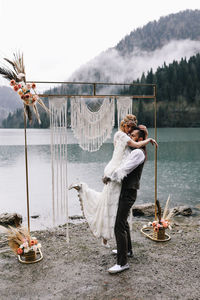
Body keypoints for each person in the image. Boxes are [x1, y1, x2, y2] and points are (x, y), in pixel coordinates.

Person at [69, 115, 157, 247]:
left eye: (133, 130)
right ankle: (110, 239)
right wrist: (148, 139)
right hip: (116, 174)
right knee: (109, 206)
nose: (130, 132)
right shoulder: (125, 139)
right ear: (125, 125)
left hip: (116, 174)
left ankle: (110, 239)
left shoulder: (126, 141)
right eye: (129, 128)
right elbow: (134, 147)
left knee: (109, 205)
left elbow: (125, 158)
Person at [106, 127, 148, 274]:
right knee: (123, 223)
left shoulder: (138, 152)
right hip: (127, 191)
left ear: (140, 139)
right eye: (129, 134)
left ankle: (122, 262)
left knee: (118, 225)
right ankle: (127, 250)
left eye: (133, 135)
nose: (130, 136)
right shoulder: (135, 152)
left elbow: (124, 169)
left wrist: (109, 177)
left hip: (128, 193)